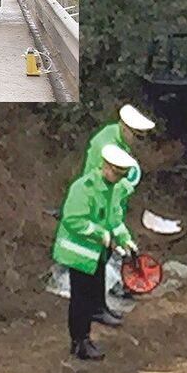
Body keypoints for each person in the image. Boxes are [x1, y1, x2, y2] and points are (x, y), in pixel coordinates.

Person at [54, 144, 140, 361]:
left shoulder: (115, 189)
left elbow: (115, 219)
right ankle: (79, 342)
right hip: (79, 252)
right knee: (80, 299)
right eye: (117, 173)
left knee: (92, 295)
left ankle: (85, 337)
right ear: (107, 167)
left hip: (96, 253)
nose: (119, 178)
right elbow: (73, 219)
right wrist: (101, 235)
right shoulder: (83, 188)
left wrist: (125, 239)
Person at [81, 104, 155, 325]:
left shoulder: (119, 142)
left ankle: (100, 306)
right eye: (136, 136)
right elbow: (103, 183)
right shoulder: (107, 145)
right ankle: (93, 309)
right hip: (95, 206)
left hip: (108, 206)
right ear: (124, 128)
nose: (137, 142)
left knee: (102, 259)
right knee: (95, 259)